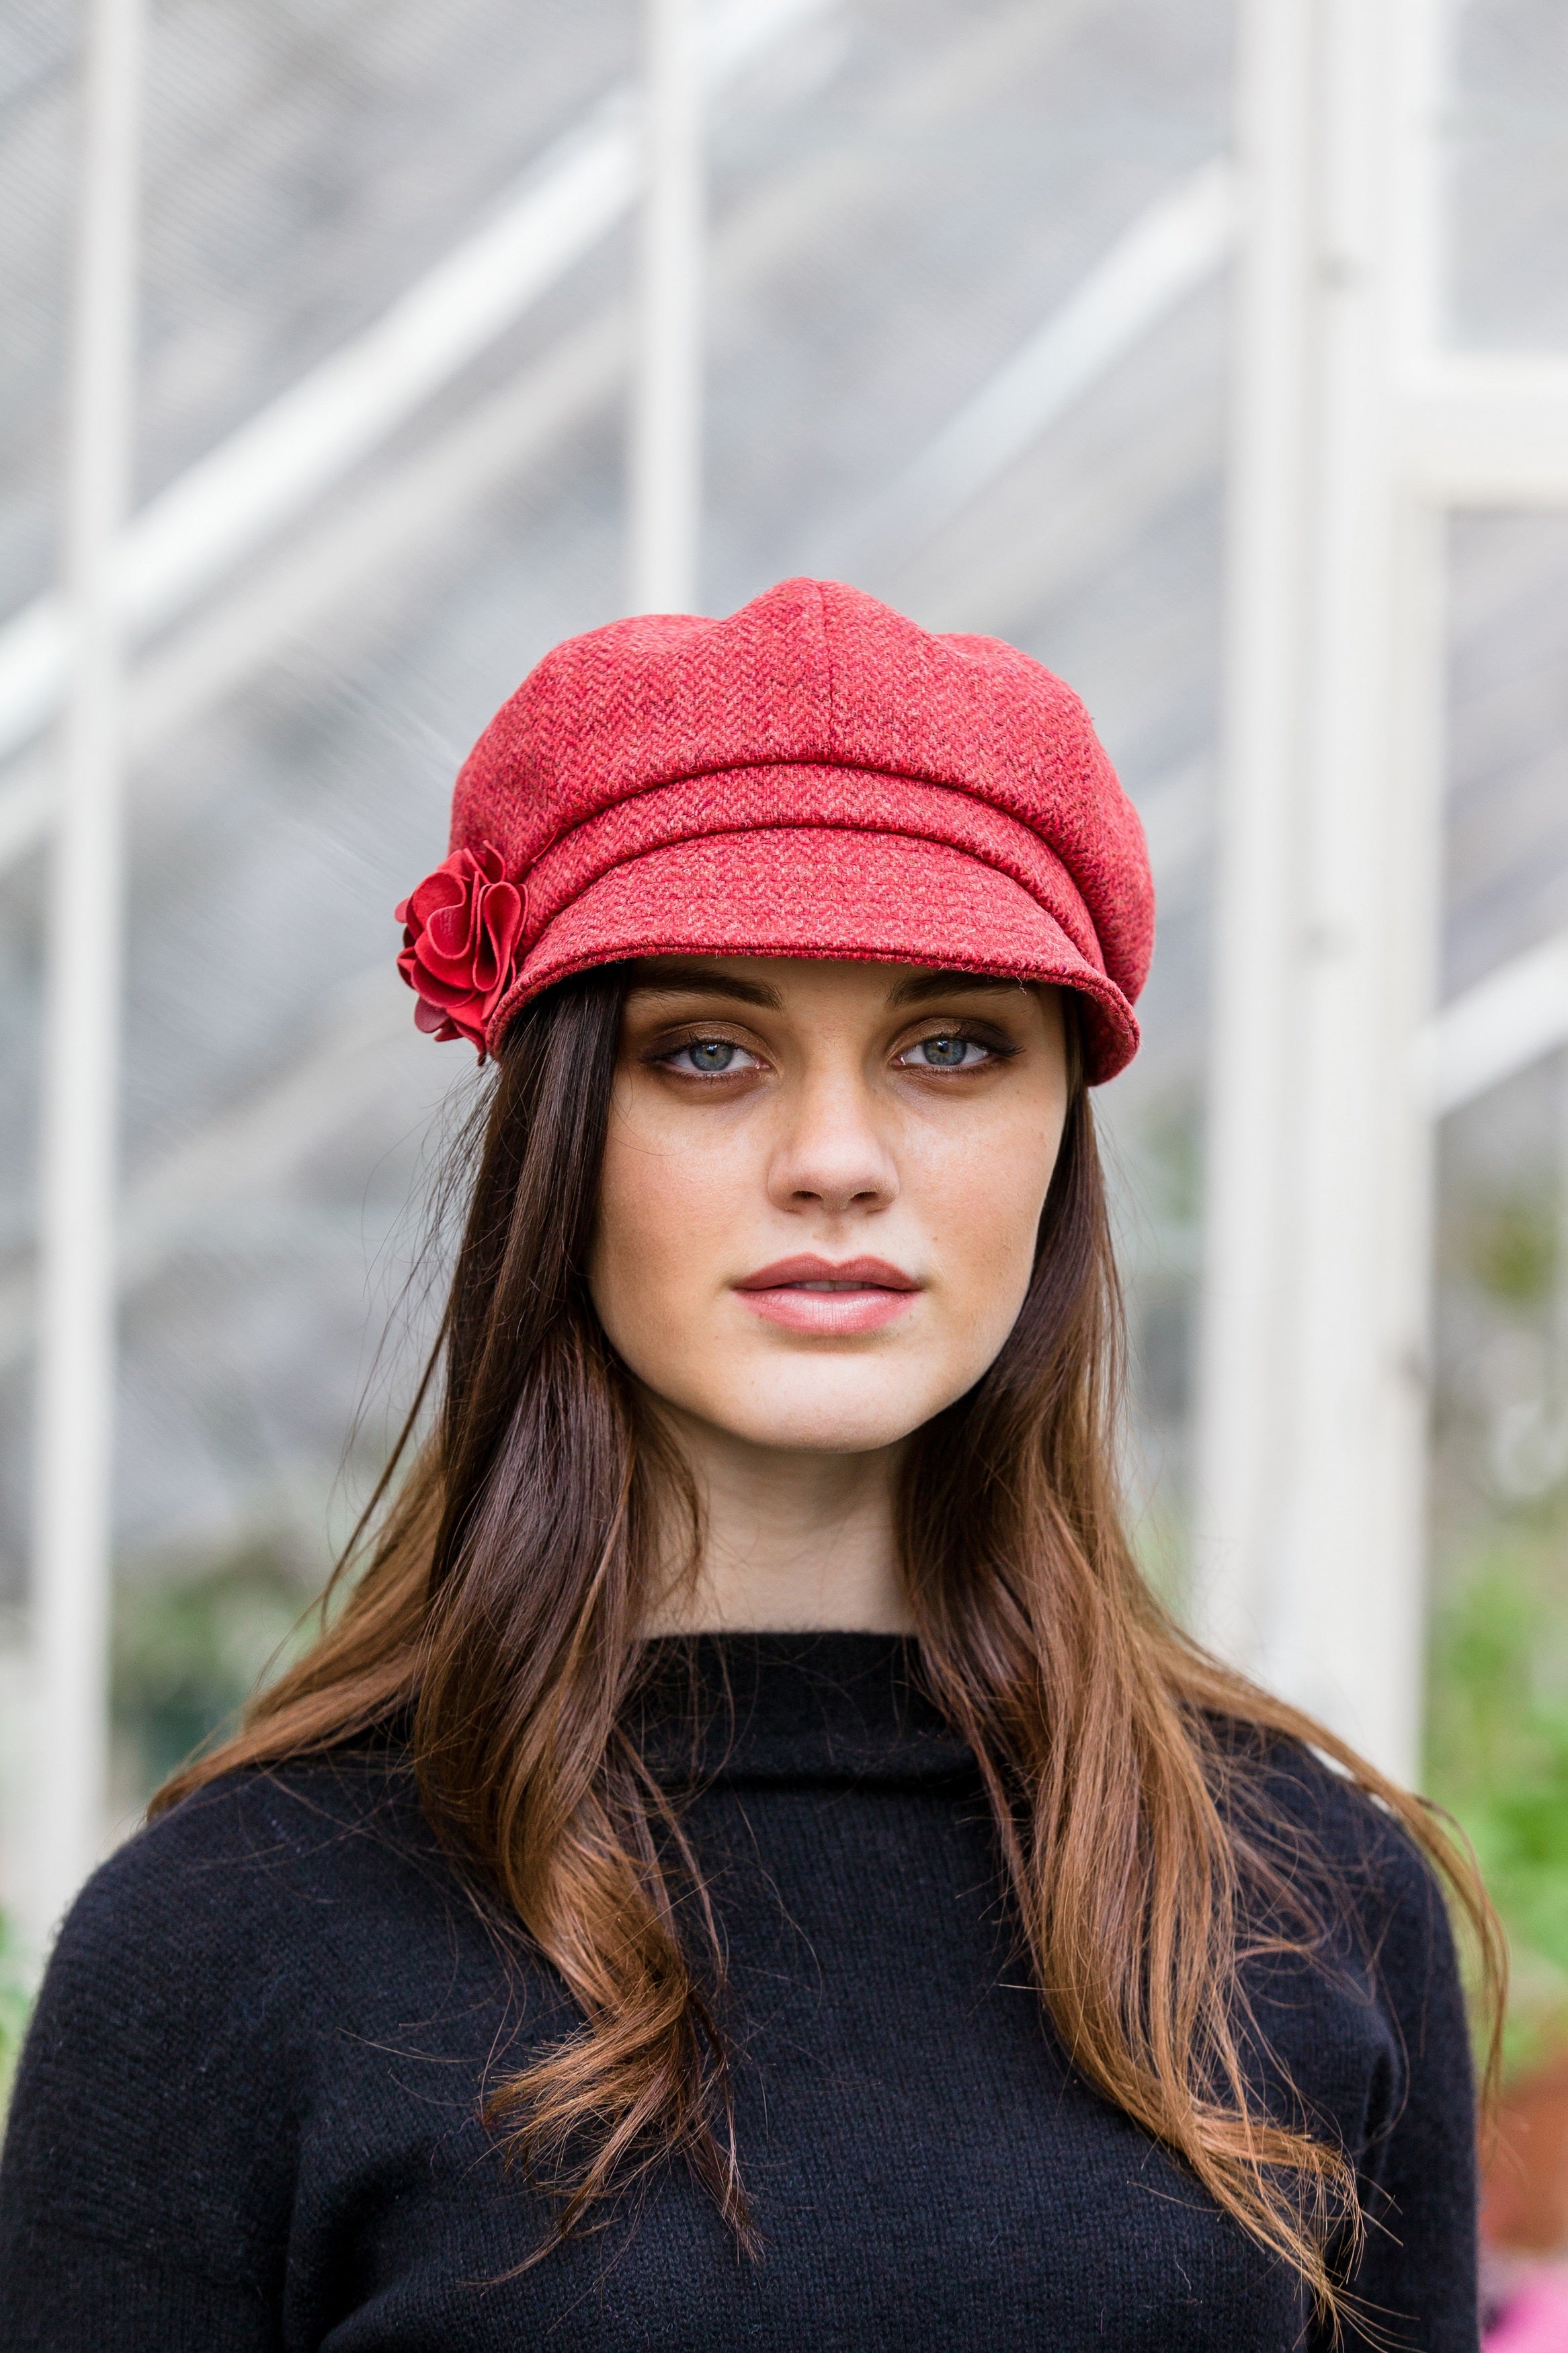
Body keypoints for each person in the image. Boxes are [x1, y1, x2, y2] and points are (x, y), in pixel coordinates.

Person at [0, 579, 1497, 2351]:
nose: (838, 1158)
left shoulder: (1305, 1902)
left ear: (1059, 1141)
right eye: (709, 1051)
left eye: (951, 1046)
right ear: (563, 1134)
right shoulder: (224, 1943)